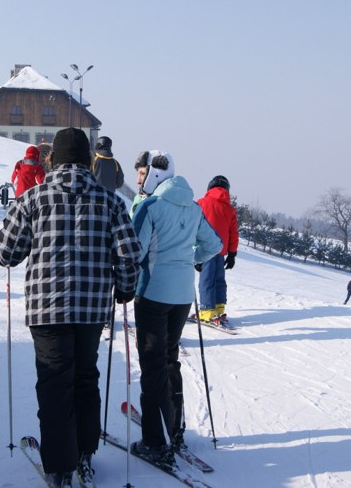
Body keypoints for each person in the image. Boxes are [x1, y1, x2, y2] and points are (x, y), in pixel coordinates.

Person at [0, 128, 141, 487]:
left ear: (52, 160)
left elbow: (7, 253)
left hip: (46, 310)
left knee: (54, 382)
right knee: (86, 377)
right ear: (88, 161)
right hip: (91, 310)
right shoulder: (110, 201)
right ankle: (84, 453)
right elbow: (129, 254)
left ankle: (59, 465)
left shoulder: (32, 199)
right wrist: (125, 289)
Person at [129, 151, 222, 467]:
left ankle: (155, 442)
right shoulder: (193, 207)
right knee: (169, 358)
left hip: (153, 292)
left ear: (155, 176)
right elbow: (214, 245)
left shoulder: (151, 206)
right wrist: (190, 260)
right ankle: (174, 427)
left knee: (152, 364)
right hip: (183, 296)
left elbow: (135, 250)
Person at [196, 175, 239, 324]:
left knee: (206, 279)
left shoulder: (201, 203)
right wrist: (232, 254)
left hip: (206, 250)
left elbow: (194, 227)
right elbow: (233, 233)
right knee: (219, 279)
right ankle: (219, 308)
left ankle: (207, 311)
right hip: (221, 251)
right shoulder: (230, 209)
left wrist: (196, 254)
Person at [131, 150, 170, 217]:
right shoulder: (139, 199)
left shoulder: (165, 206)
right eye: (138, 174)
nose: (138, 181)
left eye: (143, 174)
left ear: (159, 175)